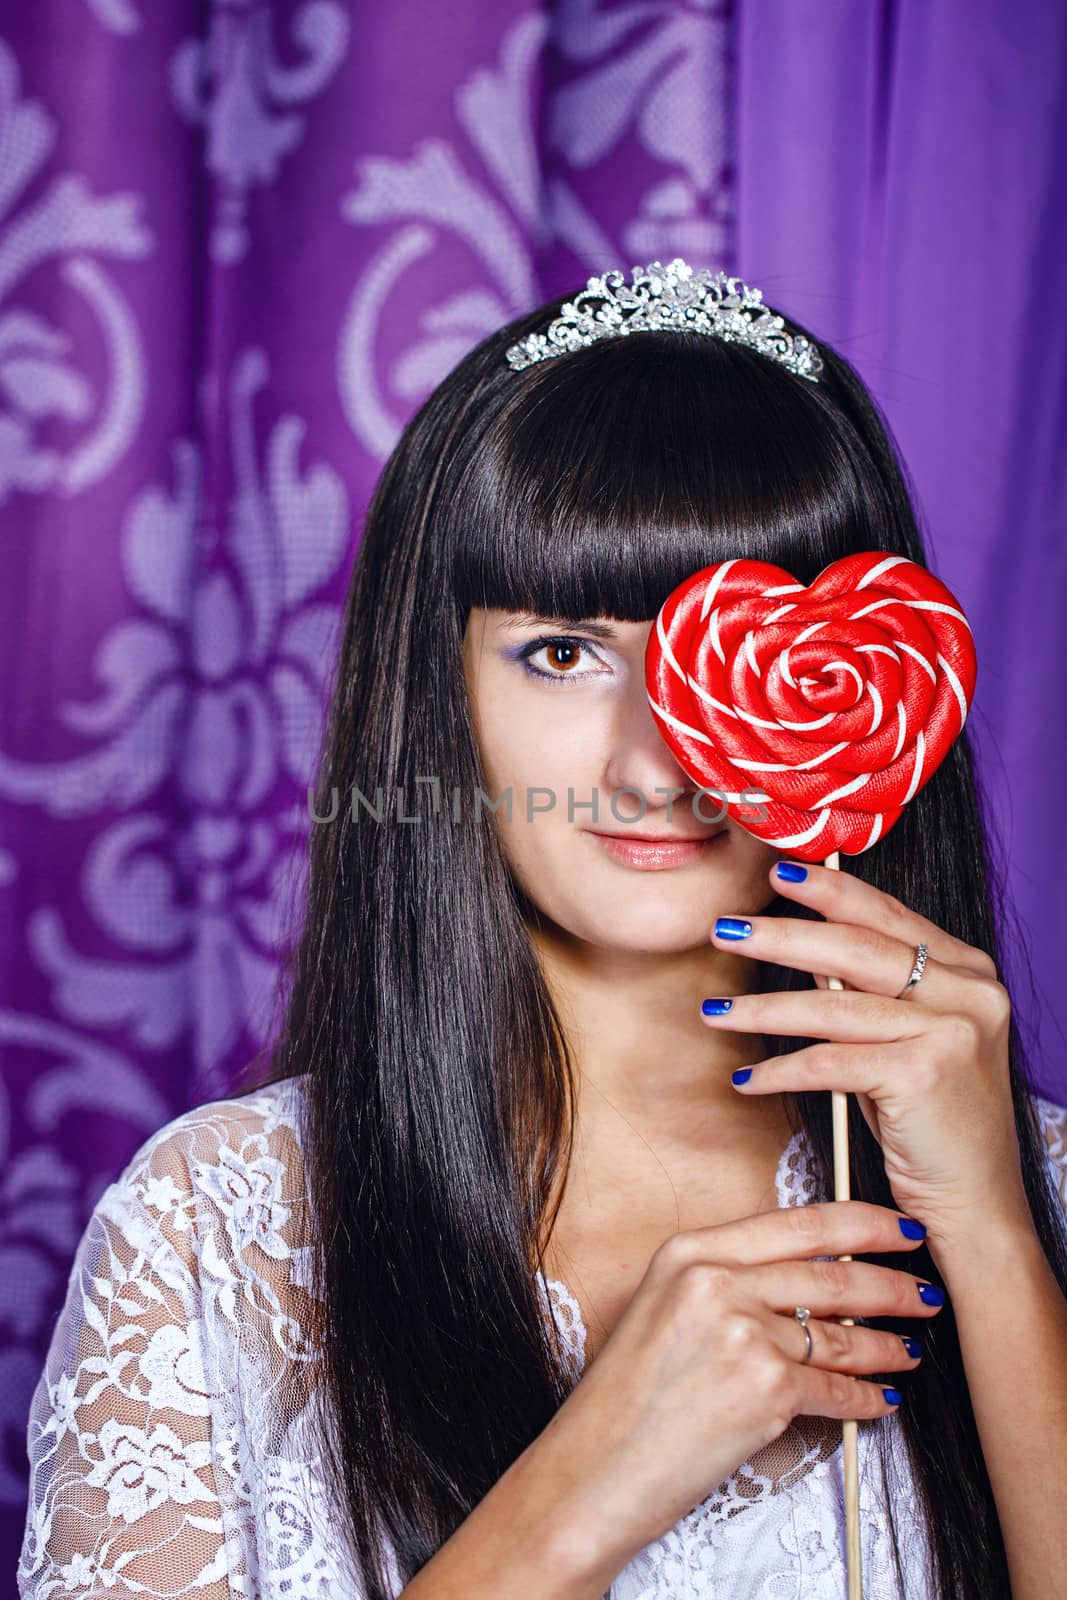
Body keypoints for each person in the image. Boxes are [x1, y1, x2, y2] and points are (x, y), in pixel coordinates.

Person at [17, 260, 1067, 1600]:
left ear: (861, 674)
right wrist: (591, 1484)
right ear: (437, 691)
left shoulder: (1038, 1188)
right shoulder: (217, 1231)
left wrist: (992, 1236)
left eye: (726, 647)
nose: (653, 767)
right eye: (564, 652)